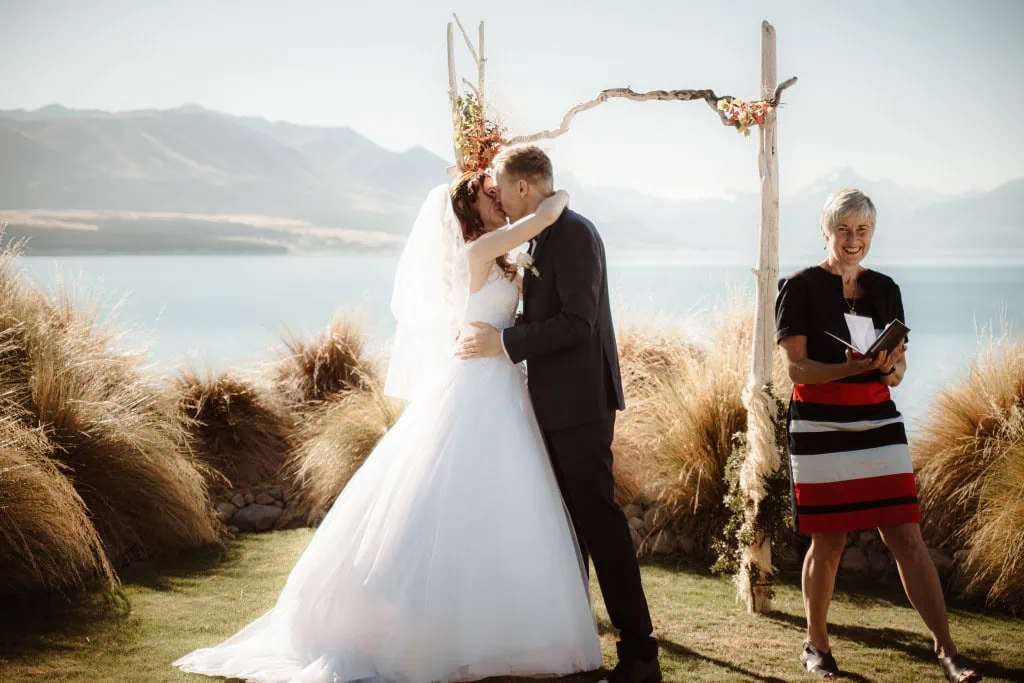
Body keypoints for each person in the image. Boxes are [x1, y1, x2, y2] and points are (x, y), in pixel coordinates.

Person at [174, 171, 603, 682]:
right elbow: (546, 215)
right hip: (474, 390)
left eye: (498, 191)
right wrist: (557, 193)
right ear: (467, 214)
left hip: (503, 388)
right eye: (489, 195)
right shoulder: (478, 253)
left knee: (498, 507)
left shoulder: (499, 255)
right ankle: (429, 633)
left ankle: (494, 634)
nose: (497, 198)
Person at [457, 145, 661, 683]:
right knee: (569, 528)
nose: (497, 195)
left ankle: (640, 654)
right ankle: (576, 649)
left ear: (524, 187)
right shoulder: (545, 234)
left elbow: (578, 323)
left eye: (501, 186)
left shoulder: (571, 235)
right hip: (552, 404)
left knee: (599, 523)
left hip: (579, 405)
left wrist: (505, 341)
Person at [775, 188, 981, 682]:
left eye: (862, 231)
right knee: (829, 540)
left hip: (879, 422)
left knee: (908, 536)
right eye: (843, 230)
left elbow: (899, 372)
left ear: (872, 234)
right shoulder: (798, 287)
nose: (853, 240)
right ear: (826, 231)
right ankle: (817, 646)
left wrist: (886, 369)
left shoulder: (885, 288)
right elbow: (798, 372)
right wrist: (846, 370)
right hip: (820, 424)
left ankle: (947, 651)